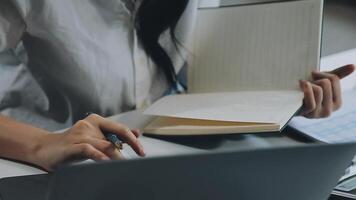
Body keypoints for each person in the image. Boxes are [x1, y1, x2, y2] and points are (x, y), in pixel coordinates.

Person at [0, 0, 354, 171]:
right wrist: (42, 144)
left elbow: (206, 80)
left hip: (158, 145)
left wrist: (283, 102)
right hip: (46, 150)